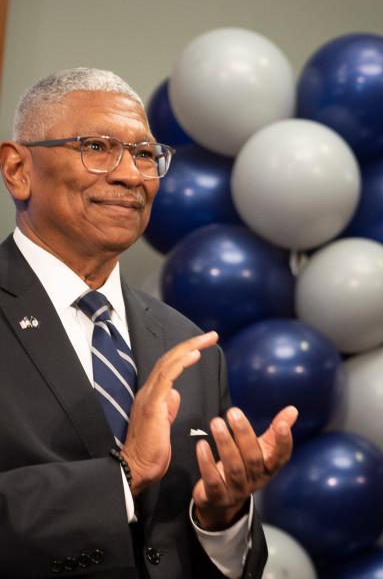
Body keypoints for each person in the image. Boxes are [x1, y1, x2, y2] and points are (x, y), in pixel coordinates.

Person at [0, 67, 298, 578]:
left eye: (144, 155)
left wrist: (219, 518)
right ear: (17, 169)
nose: (131, 175)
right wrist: (124, 474)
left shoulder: (190, 346)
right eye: (97, 146)